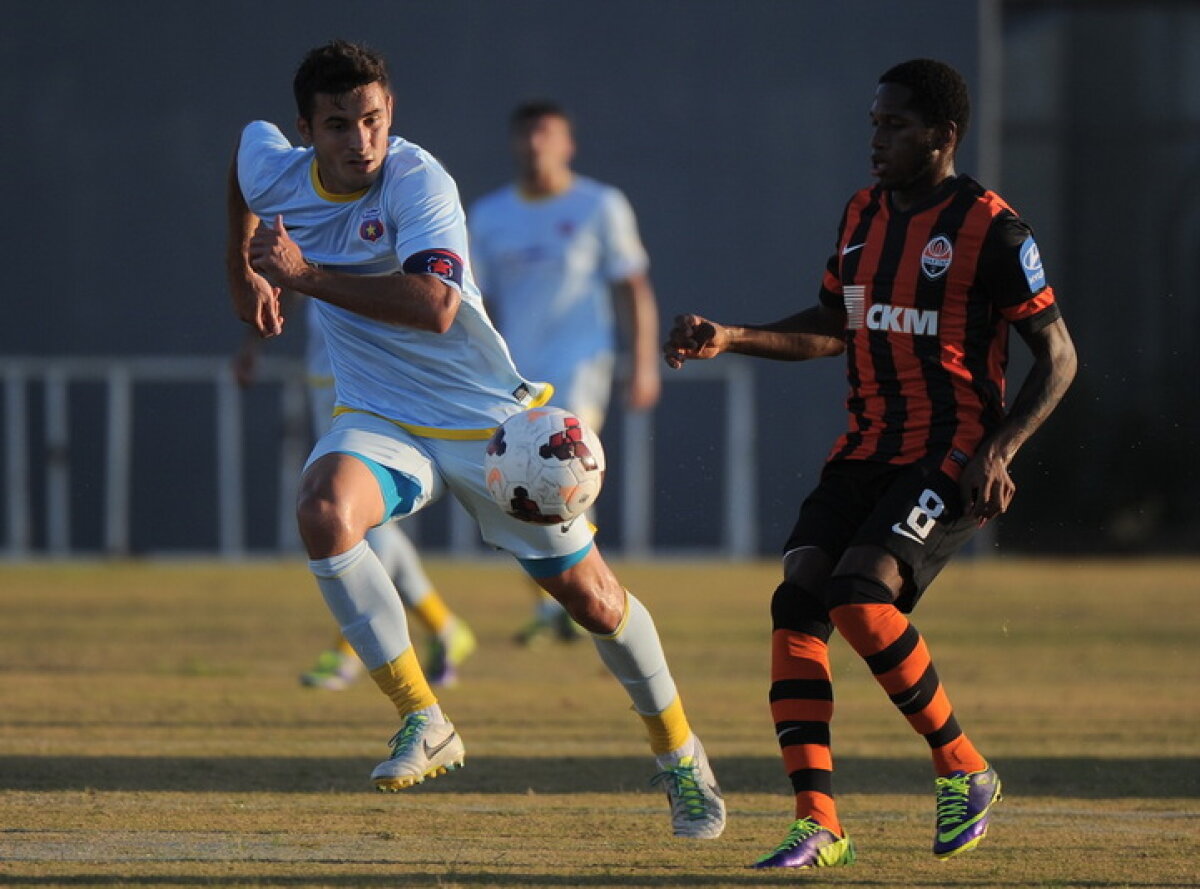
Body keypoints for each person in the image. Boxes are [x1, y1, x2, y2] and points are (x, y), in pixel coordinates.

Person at [226, 40, 724, 839]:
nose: (361, 141)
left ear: (392, 115)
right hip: (381, 416)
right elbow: (243, 171)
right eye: (339, 125)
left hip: (487, 427)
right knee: (323, 509)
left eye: (374, 119)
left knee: (593, 602)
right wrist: (240, 269)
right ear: (304, 131)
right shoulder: (274, 164)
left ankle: (680, 755)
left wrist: (300, 275)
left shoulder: (418, 180)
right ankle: (424, 717)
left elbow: (435, 306)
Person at [664, 58, 1076, 868]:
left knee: (858, 594)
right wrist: (735, 334)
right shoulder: (863, 214)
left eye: (895, 126)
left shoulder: (994, 229)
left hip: (949, 452)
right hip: (864, 446)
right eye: (873, 124)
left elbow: (1058, 356)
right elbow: (834, 325)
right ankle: (819, 821)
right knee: (798, 600)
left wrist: (1000, 447)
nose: (876, 140)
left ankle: (963, 765)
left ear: (942, 136)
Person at [469, 100, 662, 646]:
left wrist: (644, 362)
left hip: (580, 365)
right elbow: (472, 301)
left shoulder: (600, 205)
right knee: (509, 486)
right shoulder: (488, 215)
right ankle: (554, 601)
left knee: (565, 473)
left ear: (567, 144)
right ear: (514, 142)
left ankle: (587, 593)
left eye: (547, 135)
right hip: (513, 373)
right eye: (527, 134)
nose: (536, 145)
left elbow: (633, 287)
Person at [232, 300, 477, 689]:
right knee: (357, 518)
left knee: (353, 515)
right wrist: (253, 343)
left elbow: (440, 296)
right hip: (328, 380)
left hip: (384, 382)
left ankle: (350, 649)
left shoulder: (409, 237)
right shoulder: (308, 236)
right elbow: (289, 280)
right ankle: (443, 627)